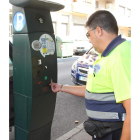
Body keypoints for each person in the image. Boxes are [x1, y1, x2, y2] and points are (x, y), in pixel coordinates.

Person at [50, 10, 131, 140]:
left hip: (114, 132)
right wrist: (61, 87)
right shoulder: (107, 55)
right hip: (104, 131)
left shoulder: (119, 57)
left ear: (98, 31)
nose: (89, 41)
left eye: (88, 34)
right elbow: (93, 90)